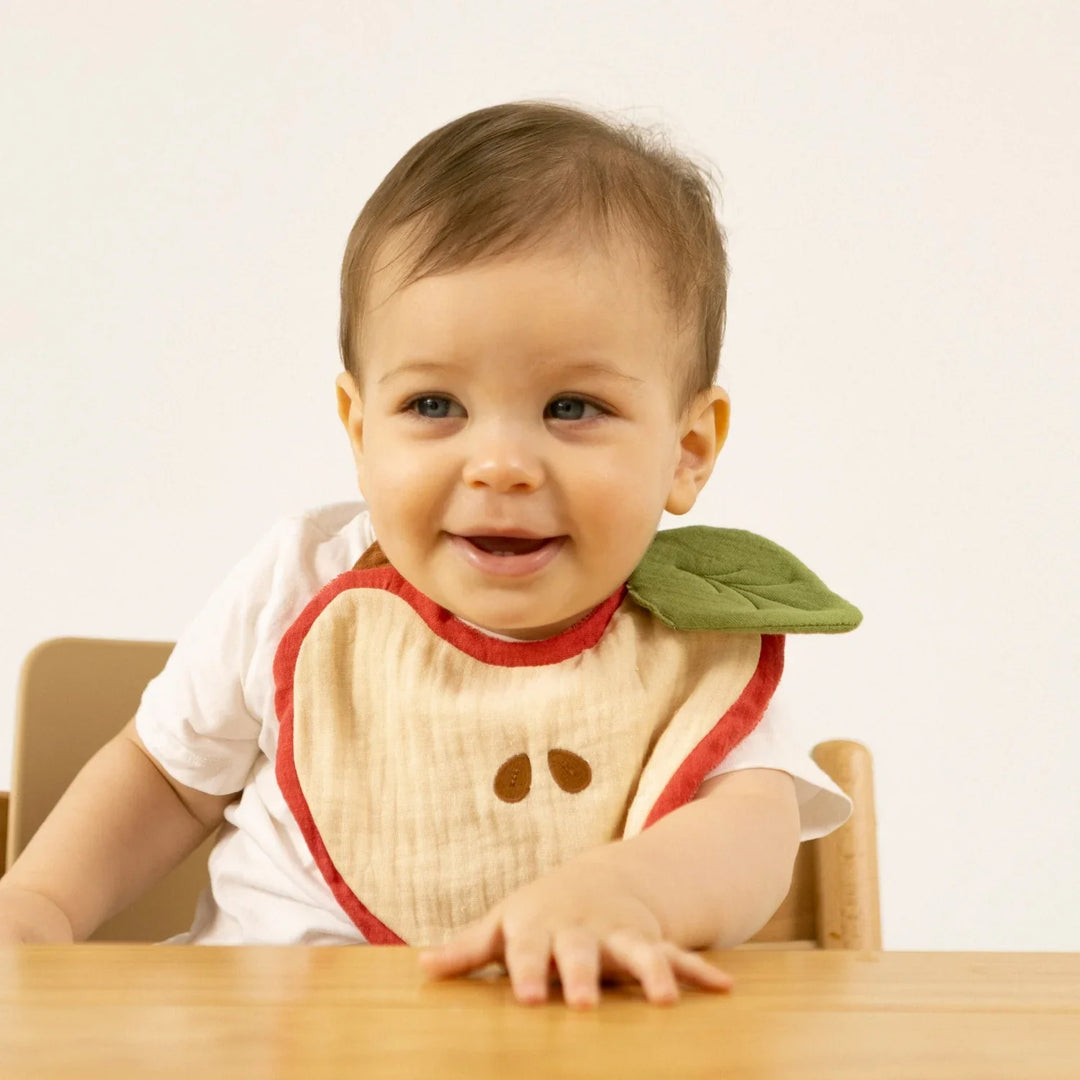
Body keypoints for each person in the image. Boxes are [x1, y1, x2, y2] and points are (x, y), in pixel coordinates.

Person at [0, 101, 860, 1008]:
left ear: (687, 449)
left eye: (572, 407)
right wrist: (40, 904)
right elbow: (168, 782)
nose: (498, 466)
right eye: (433, 406)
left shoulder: (690, 639)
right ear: (360, 428)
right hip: (265, 1040)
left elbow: (753, 827)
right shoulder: (299, 584)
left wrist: (632, 895)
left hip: (564, 1055)